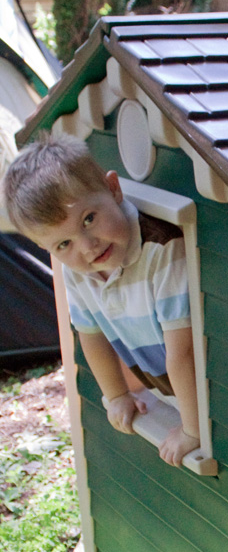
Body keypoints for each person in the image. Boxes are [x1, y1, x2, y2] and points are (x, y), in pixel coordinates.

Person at [2, 134, 199, 467]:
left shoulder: (161, 251)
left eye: (88, 219)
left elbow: (184, 352)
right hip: (166, 391)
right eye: (63, 244)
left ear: (114, 189)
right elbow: (91, 338)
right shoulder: (78, 272)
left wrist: (194, 430)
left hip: (198, 397)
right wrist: (117, 395)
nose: (87, 246)